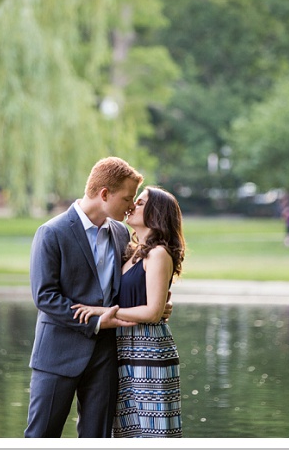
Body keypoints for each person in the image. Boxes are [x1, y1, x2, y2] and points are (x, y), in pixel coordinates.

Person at [24, 156, 172, 438]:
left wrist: (158, 304)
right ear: (105, 194)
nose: (132, 206)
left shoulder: (120, 233)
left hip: (105, 357)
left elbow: (135, 280)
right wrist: (95, 322)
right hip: (57, 354)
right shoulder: (51, 233)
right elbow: (45, 296)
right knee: (41, 435)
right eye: (128, 198)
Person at [72, 186, 184, 437]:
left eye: (141, 202)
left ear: (156, 213)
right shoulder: (131, 251)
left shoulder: (158, 254)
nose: (132, 205)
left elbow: (153, 313)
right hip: (124, 350)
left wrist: (101, 312)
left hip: (150, 351)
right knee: (126, 431)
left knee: (154, 431)